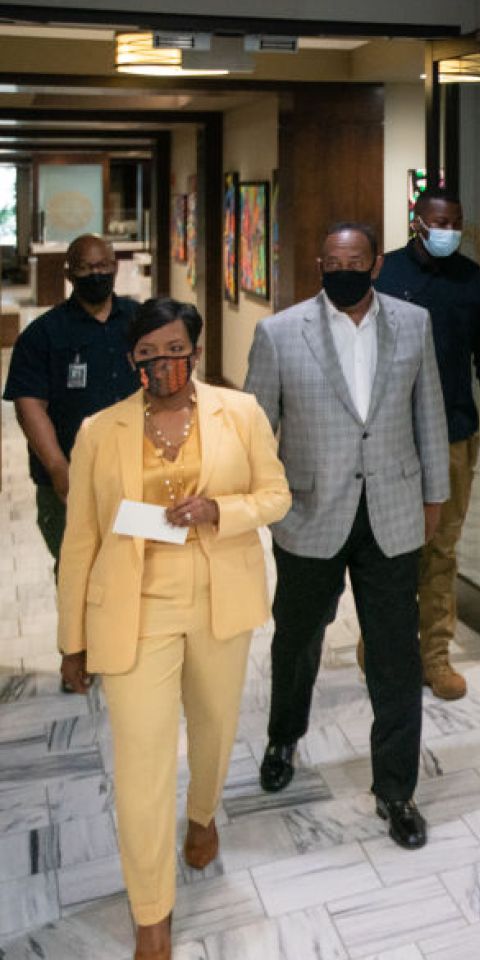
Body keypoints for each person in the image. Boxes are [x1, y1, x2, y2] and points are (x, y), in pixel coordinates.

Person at [56, 298, 290, 960]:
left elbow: (277, 495)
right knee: (141, 763)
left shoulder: (238, 413)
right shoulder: (100, 430)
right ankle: (151, 913)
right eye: (148, 352)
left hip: (221, 596)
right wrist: (71, 640)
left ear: (195, 349)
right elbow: (81, 541)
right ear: (132, 359)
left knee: (214, 729)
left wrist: (220, 507)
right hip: (135, 608)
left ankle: (203, 813)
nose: (164, 363)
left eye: (175, 349)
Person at [244, 222, 449, 850]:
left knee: (396, 655)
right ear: (318, 264)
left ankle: (396, 790)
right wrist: (267, 507)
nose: (345, 269)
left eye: (355, 259)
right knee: (298, 638)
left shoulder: (412, 324)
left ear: (376, 264)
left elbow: (429, 411)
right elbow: (256, 430)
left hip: (391, 511)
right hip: (309, 514)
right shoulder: (279, 333)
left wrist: (434, 494)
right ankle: (285, 735)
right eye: (333, 260)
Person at [373, 186, 480, 700]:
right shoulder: (382, 275)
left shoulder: (474, 282)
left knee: (440, 549)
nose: (447, 231)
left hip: (454, 433)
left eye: (454, 222)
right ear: (416, 221)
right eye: (438, 221)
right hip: (389, 437)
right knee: (389, 550)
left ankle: (435, 656)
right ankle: (386, 652)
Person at [3, 235, 141, 692]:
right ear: (68, 273)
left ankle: (126, 644)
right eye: (85, 268)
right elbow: (29, 404)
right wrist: (60, 468)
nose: (96, 274)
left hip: (136, 471)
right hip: (68, 479)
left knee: (135, 558)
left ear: (115, 267)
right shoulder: (43, 333)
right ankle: (76, 653)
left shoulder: (140, 321)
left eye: (103, 265)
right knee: (75, 565)